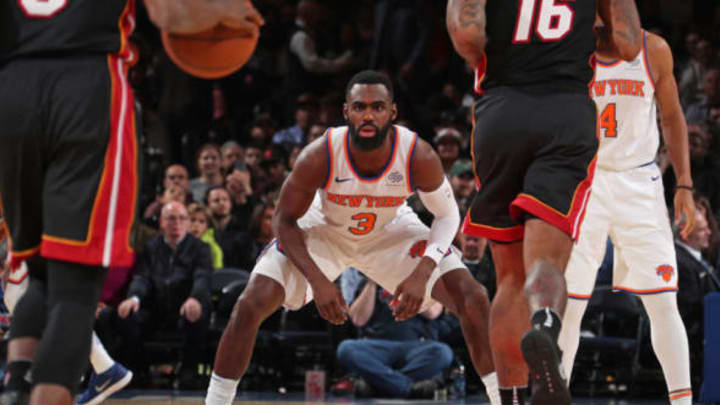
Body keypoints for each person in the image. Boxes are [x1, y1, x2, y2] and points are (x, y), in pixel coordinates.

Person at [0, 1, 263, 404]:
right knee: (76, 286)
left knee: (38, 271)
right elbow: (171, 12)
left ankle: (16, 388)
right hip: (86, 85)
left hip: (13, 89)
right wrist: (224, 15)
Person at [205, 70, 499, 405]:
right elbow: (284, 220)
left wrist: (422, 272)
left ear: (392, 112)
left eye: (377, 107)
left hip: (390, 232)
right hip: (325, 230)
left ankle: (503, 398)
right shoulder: (321, 154)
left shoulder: (418, 154)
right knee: (249, 303)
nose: (368, 115)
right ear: (346, 112)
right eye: (359, 107)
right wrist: (318, 281)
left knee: (473, 297)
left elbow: (448, 216)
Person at [446, 1, 641, 404]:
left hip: (501, 114)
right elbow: (629, 45)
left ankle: (512, 400)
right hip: (565, 112)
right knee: (545, 264)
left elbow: (466, 38)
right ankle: (546, 324)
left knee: (510, 279)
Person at [557, 28, 697, 405]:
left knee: (663, 300)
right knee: (570, 304)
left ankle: (682, 402)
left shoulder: (653, 49)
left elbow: (671, 116)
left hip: (639, 181)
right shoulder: (568, 47)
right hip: (583, 181)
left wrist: (684, 185)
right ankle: (552, 398)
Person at [110, 202, 213, 389]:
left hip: (184, 306)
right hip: (156, 308)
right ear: (162, 223)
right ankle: (138, 371)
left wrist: (195, 298)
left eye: (182, 218)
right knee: (129, 315)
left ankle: (189, 371)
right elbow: (142, 277)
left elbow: (202, 277)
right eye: (171, 218)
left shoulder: (201, 248)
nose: (177, 223)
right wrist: (134, 298)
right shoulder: (151, 247)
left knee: (197, 314)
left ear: (189, 224)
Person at [335, 268, 452, 398]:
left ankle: (380, 386)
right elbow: (358, 319)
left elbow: (432, 313)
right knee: (346, 349)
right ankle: (407, 388)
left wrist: (413, 280)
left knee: (443, 352)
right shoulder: (368, 283)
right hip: (377, 347)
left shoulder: (424, 281)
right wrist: (372, 282)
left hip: (416, 346)